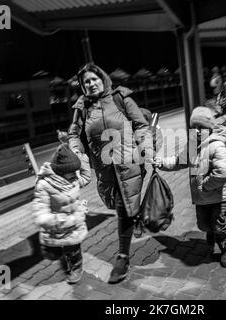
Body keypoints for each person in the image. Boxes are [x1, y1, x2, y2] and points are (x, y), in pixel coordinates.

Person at [67, 63, 153, 284]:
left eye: (94, 79)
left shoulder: (120, 98)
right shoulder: (82, 107)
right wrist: (77, 151)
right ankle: (137, 218)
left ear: (102, 79)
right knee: (117, 203)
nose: (91, 83)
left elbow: (141, 125)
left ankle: (123, 256)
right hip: (104, 170)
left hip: (131, 163)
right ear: (82, 86)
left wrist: (146, 148)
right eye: (86, 81)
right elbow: (74, 134)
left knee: (123, 208)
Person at [154, 107, 226, 268]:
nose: (197, 131)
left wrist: (205, 186)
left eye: (201, 127)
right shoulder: (193, 146)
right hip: (201, 198)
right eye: (194, 127)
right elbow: (179, 161)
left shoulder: (216, 145)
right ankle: (211, 235)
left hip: (217, 197)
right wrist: (161, 162)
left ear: (209, 127)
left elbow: (224, 172)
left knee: (218, 225)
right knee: (204, 225)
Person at [33, 143, 91, 284]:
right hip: (57, 227)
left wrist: (81, 158)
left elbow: (86, 177)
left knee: (74, 250)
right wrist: (68, 219)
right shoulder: (44, 185)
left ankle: (76, 269)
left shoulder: (73, 179)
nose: (75, 178)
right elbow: (41, 217)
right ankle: (55, 251)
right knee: (53, 254)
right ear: (60, 172)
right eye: (71, 175)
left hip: (73, 229)